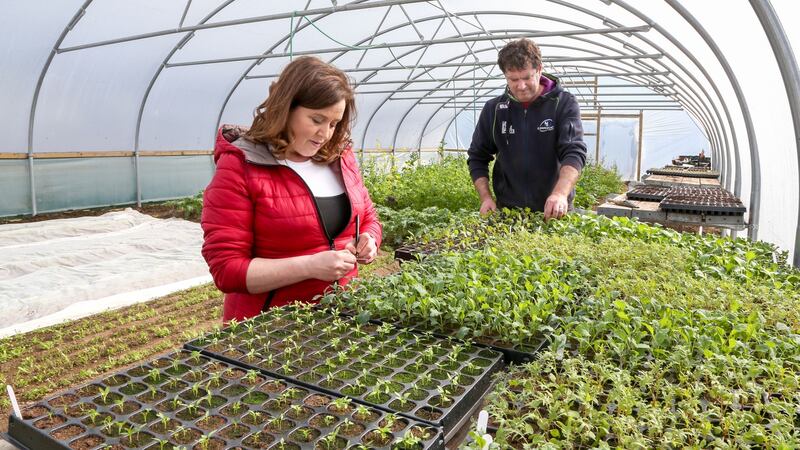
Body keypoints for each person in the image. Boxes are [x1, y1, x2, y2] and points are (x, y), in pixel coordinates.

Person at [201, 56, 382, 323]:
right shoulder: (241, 165)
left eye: (333, 124)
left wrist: (369, 239)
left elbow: (367, 216)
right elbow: (227, 270)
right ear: (285, 108)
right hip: (267, 329)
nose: (325, 134)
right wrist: (310, 266)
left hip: (337, 316)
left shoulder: (339, 158)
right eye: (316, 119)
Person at [467, 39, 587, 220]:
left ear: (539, 69)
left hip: (554, 211)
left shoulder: (562, 103)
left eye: (526, 77)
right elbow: (477, 157)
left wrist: (560, 194)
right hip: (508, 212)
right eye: (513, 79)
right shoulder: (494, 109)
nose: (520, 86)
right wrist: (486, 198)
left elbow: (574, 151)